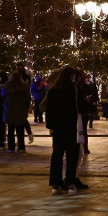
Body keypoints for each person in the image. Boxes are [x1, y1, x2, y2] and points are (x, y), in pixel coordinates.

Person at [45, 66, 85, 195]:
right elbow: (81, 107)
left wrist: (51, 125)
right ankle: (70, 183)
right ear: (70, 77)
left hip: (57, 127)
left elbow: (48, 109)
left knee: (57, 154)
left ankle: (56, 184)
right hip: (70, 126)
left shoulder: (52, 90)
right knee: (71, 155)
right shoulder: (73, 90)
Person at [2, 71, 30, 153]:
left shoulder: (7, 87)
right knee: (20, 130)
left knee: (10, 130)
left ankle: (11, 147)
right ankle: (21, 147)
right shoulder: (24, 87)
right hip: (20, 110)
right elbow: (27, 99)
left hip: (10, 110)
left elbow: (2, 98)